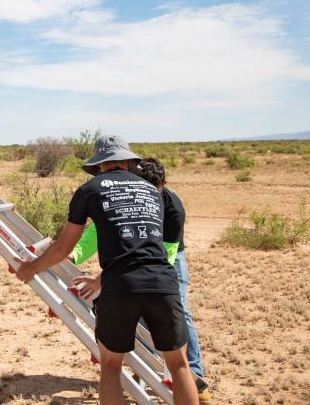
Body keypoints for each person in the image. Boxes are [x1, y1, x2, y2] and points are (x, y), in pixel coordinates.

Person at [14, 135, 198, 405]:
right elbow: (145, 244)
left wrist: (32, 267)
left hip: (120, 286)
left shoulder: (89, 190)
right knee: (179, 365)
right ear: (127, 161)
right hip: (163, 282)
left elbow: (65, 245)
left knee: (111, 365)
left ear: (99, 165)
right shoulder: (151, 191)